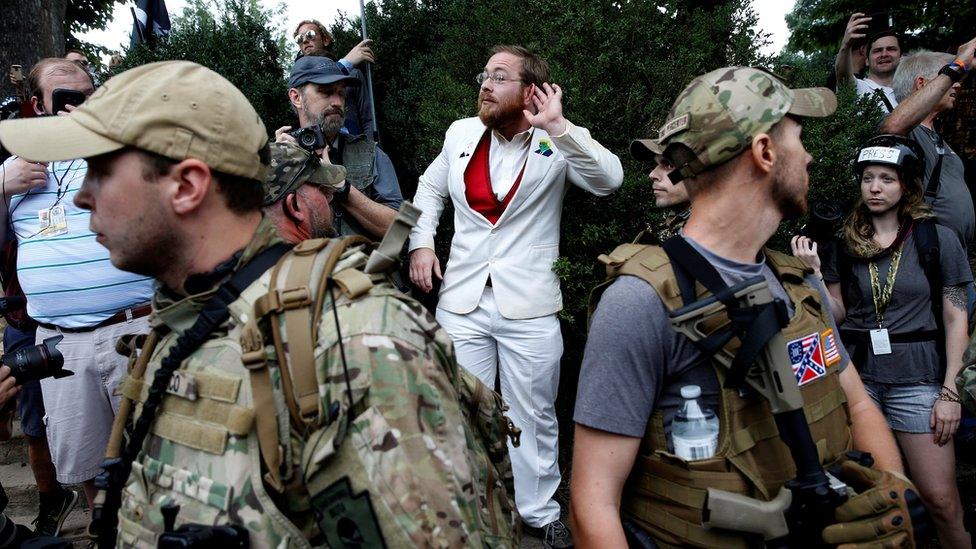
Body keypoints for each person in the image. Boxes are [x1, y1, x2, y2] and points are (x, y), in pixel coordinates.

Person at [0, 60, 513, 546]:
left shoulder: (353, 341)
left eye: (101, 171)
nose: (83, 196)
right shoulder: (182, 322)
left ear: (186, 186)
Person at [572, 66, 918, 548]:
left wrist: (893, 497)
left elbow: (857, 403)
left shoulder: (798, 285)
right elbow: (593, 503)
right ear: (765, 152)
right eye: (799, 137)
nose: (811, 155)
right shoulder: (639, 301)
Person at [409, 44, 623, 547]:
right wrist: (421, 244)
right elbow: (429, 189)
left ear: (530, 91)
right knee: (462, 408)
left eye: (499, 77)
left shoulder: (557, 142)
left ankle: (537, 513)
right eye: (484, 74)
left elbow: (610, 180)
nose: (485, 83)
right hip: (461, 301)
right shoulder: (460, 133)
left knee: (533, 413)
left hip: (529, 306)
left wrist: (559, 128)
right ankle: (472, 508)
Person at [793, 135, 972, 548]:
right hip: (860, 381)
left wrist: (950, 391)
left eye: (887, 179)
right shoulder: (843, 241)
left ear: (906, 186)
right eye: (868, 178)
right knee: (874, 500)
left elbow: (955, 316)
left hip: (919, 381)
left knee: (941, 501)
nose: (874, 187)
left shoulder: (935, 239)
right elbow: (834, 314)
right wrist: (815, 276)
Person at [0, 57, 153, 517]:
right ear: (37, 104)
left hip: (136, 332)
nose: (78, 105)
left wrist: (103, 146)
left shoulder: (122, 154)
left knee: (153, 459)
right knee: (88, 468)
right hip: (60, 346)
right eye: (66, 98)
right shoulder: (17, 169)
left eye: (87, 96)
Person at [278, 55, 402, 239]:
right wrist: (277, 169)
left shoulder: (369, 153)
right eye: (326, 92)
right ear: (296, 97)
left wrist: (340, 186)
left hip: (359, 265)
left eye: (341, 93)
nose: (337, 102)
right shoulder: (279, 156)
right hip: (305, 266)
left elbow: (399, 232)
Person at [881, 39, 976, 253]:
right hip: (928, 256)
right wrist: (957, 64)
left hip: (957, 256)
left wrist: (965, 62)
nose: (958, 84)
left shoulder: (935, 135)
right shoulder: (905, 130)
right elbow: (893, 126)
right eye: (949, 78)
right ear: (923, 84)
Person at [293, 19, 376, 137]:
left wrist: (370, 149)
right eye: (299, 39)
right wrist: (346, 63)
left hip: (352, 147)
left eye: (310, 34)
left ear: (326, 40)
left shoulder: (353, 75)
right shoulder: (299, 80)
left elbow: (368, 119)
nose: (305, 40)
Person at [262, 140, 346, 241]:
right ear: (293, 206)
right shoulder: (328, 256)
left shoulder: (247, 253)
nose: (330, 197)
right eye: (323, 189)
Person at [835, 13, 902, 111]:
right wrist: (846, 45)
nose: (884, 54)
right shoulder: (859, 87)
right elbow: (842, 75)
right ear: (866, 60)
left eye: (891, 49)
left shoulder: (911, 93)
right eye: (877, 50)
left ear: (901, 56)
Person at [631, 138, 689, 241]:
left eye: (669, 164)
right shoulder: (676, 223)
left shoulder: (714, 233)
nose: (652, 174)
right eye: (656, 164)